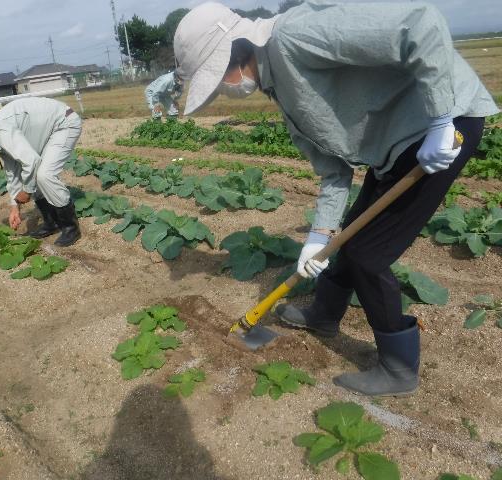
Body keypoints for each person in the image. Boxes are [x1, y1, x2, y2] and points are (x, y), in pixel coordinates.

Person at [174, 2, 499, 396]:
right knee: (343, 241)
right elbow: (334, 170)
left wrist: (440, 119)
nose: (223, 90)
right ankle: (324, 316)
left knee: (368, 254)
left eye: (218, 77)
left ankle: (399, 369)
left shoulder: (295, 36)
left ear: (236, 50)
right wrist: (319, 235)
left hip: (443, 130)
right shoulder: (278, 85)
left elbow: (420, 23)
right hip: (397, 145)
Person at [0, 97, 82, 247]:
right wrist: (15, 206)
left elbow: (32, 161)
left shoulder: (1, 132)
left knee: (44, 175)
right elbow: (12, 173)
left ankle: (71, 228)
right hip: (51, 129)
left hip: (64, 123)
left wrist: (27, 191)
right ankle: (51, 222)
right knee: (34, 175)